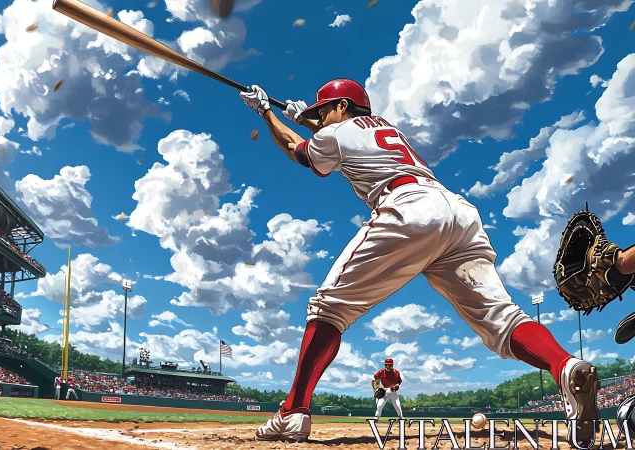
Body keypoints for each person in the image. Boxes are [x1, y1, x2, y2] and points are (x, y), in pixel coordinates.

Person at [240, 80, 599, 443]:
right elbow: (334, 135)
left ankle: (293, 410)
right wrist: (308, 120)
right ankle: (564, 365)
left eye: (323, 109)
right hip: (457, 214)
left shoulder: (336, 132)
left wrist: (266, 112)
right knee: (503, 318)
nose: (320, 117)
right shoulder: (383, 128)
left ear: (343, 106)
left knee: (329, 309)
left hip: (409, 210)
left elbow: (297, 150)